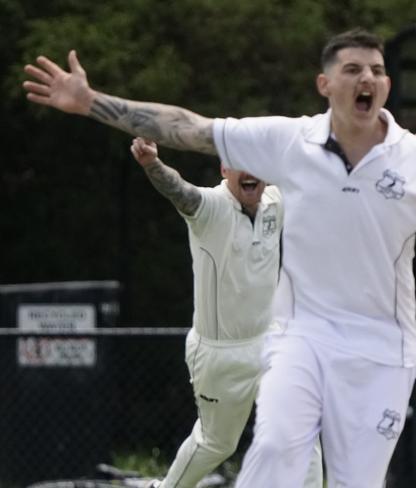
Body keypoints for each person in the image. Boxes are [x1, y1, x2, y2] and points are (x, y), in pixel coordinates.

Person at [23, 28, 416, 488]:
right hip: (301, 335)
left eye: (376, 70)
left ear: (386, 86)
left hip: (382, 352)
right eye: (352, 69)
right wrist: (93, 101)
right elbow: (190, 128)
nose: (366, 77)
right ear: (327, 85)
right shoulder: (288, 141)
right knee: (275, 451)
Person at [128, 137, 323, 488]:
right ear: (224, 170)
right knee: (217, 444)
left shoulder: (275, 202)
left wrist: (392, 157)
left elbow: (331, 184)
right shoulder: (211, 207)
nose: (251, 172)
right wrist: (153, 165)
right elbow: (180, 191)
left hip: (270, 344)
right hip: (220, 355)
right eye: (241, 163)